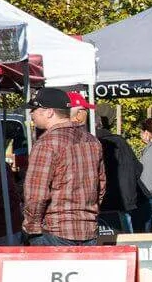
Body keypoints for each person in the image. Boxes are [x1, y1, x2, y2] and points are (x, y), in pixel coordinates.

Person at [20, 87, 104, 246]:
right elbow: (101, 186)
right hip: (88, 229)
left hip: (55, 231)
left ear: (49, 112)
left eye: (34, 109)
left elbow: (36, 194)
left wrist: (31, 227)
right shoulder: (92, 141)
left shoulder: (46, 144)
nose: (31, 114)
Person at [96, 114, 142, 234]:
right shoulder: (121, 142)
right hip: (124, 201)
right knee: (127, 240)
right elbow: (138, 168)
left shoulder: (93, 144)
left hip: (103, 203)